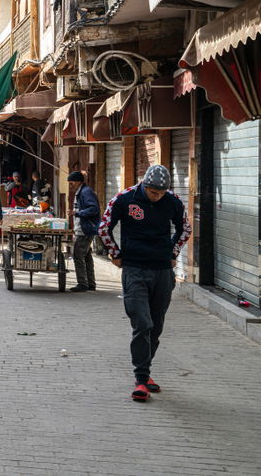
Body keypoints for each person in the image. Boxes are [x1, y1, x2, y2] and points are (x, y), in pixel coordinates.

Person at [99, 165, 190, 402]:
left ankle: (145, 372)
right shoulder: (124, 198)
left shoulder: (173, 201)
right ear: (144, 185)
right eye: (153, 192)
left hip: (162, 271)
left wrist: (173, 253)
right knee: (142, 322)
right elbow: (104, 227)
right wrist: (115, 253)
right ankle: (141, 379)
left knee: (156, 326)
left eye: (161, 193)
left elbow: (185, 229)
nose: (157, 197)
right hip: (134, 269)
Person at [68, 170, 100, 292]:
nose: (70, 186)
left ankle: (82, 284)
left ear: (78, 182)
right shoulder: (82, 192)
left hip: (85, 229)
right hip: (83, 228)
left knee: (78, 255)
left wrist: (77, 213)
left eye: (71, 183)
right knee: (86, 256)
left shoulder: (86, 192)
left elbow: (94, 209)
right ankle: (90, 283)